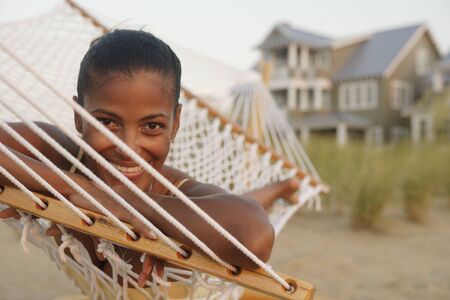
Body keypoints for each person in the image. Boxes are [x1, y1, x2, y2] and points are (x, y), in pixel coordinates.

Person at [0, 29, 299, 293]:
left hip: (205, 271)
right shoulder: (58, 154)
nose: (128, 148)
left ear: (176, 123)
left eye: (152, 126)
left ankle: (278, 188)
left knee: (244, 205)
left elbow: (252, 237)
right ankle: (278, 187)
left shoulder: (173, 189)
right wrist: (79, 187)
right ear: (79, 118)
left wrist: (122, 202)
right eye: (108, 123)